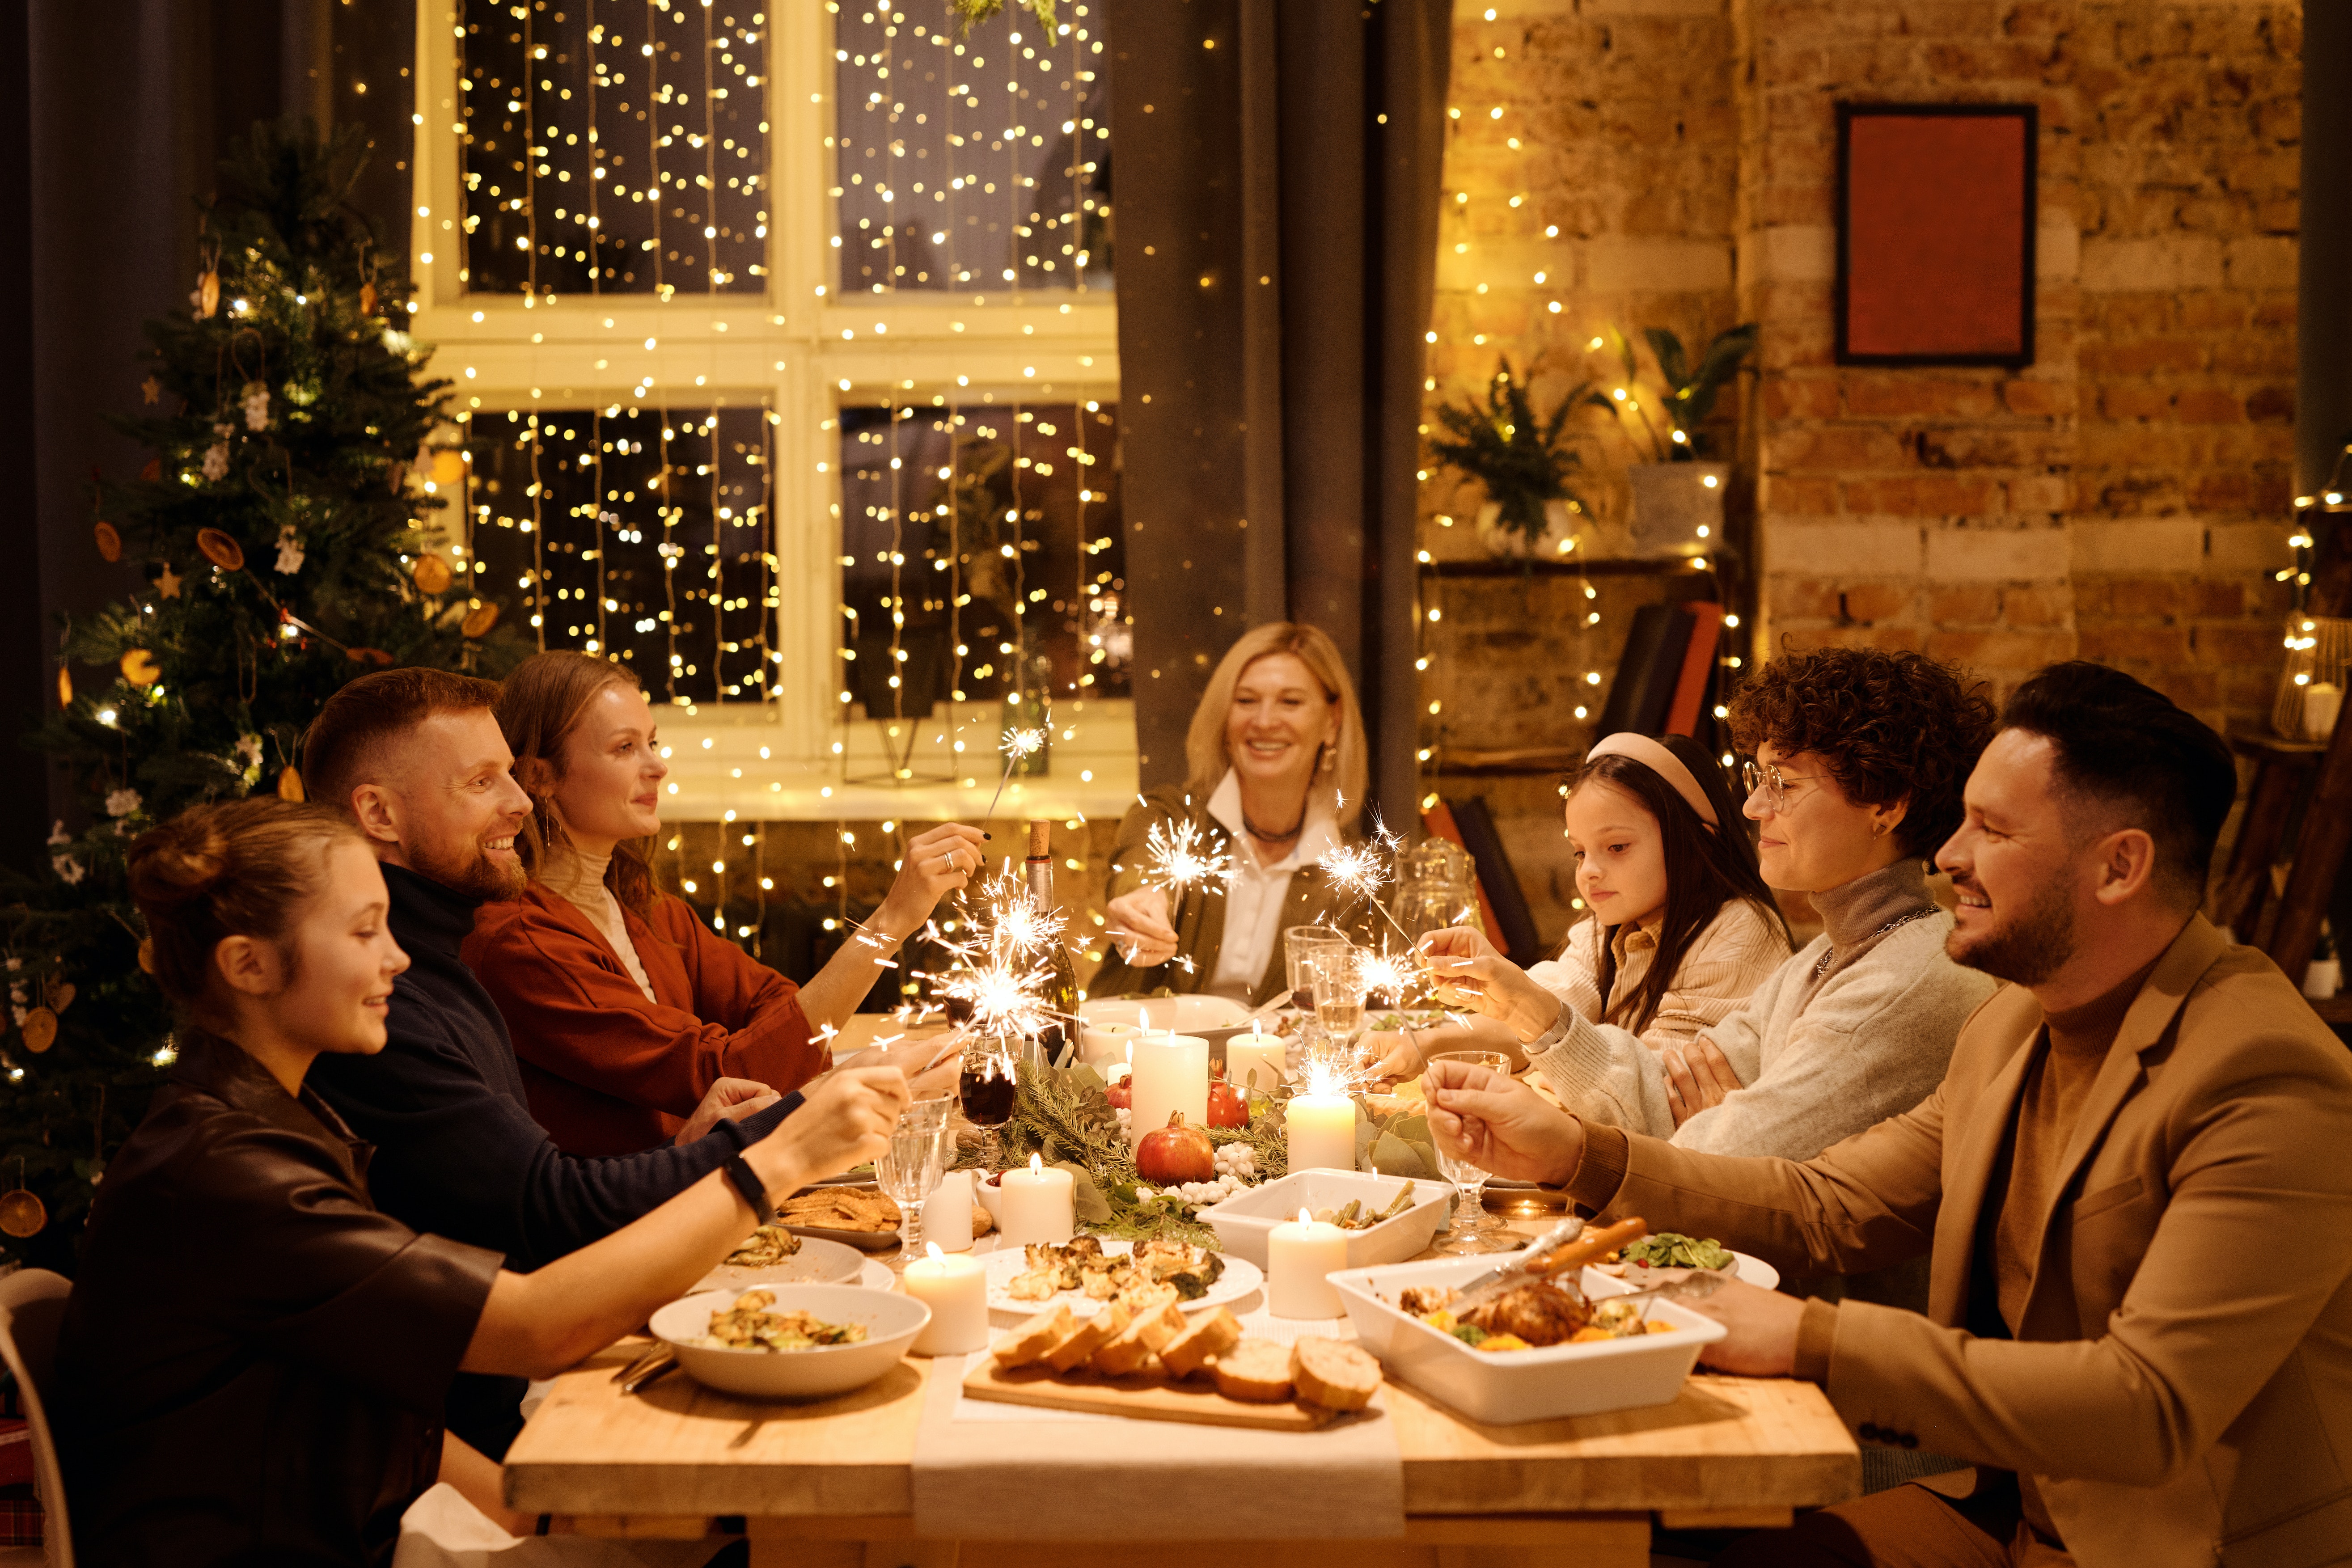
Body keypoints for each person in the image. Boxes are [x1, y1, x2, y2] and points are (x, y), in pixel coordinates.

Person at [1421, 662, 2352, 1568]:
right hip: (1999, 1508)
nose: (1947, 855)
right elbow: (1823, 1202)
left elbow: (2144, 1404)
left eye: (1990, 829)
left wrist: (1802, 1336)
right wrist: (1574, 1151)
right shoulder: (2014, 1024)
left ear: (2119, 865)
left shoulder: (2265, 1073)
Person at [55, 798, 907, 1568]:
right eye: (362, 933)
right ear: (248, 965)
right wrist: (782, 1158)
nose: (396, 960)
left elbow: (383, 1408)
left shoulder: (282, 1119)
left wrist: (539, 1524)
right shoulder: (227, 1171)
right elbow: (535, 1328)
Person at [294, 668, 950, 1458]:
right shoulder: (479, 955)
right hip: (555, 1365)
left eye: (655, 743)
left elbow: (782, 1021)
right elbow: (549, 1221)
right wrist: (798, 1132)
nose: (516, 804)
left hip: (617, 1290)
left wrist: (707, 1143)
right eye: (483, 780)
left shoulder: (632, 916)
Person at [1428, 647, 1998, 1157]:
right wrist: (1529, 1009)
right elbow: (1658, 1095)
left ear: (1887, 804)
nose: (1753, 808)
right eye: (1759, 778)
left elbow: (1729, 1160)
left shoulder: (1905, 980)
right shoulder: (1824, 957)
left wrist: (1696, 1129)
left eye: (1786, 784)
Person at [464, 651, 984, 1155]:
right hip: (636, 1213)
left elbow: (778, 1008)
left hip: (709, 1170)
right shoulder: (522, 943)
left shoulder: (641, 905)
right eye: (625, 748)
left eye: (653, 743)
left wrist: (815, 1057)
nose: (658, 767)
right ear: (539, 777)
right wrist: (892, 920)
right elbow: (725, 1066)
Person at [1366, 732, 1790, 1090]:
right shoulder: (1603, 929)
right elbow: (1543, 1018)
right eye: (1580, 852)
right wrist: (1424, 1044)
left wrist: (1523, 1003)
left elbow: (1657, 1089)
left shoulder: (1739, 930)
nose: (1589, 871)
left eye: (1617, 847)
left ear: (1698, 841)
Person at [1092, 622, 1373, 1006]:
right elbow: (1142, 868)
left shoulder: (1354, 878)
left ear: (1331, 720)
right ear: (1224, 719)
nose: (1264, 721)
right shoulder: (1169, 816)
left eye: (1290, 702)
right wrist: (1142, 904)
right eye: (1246, 701)